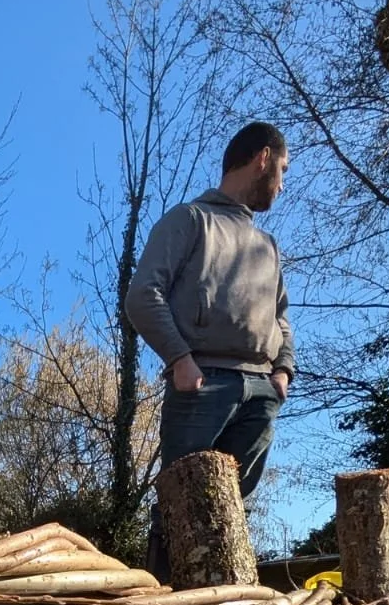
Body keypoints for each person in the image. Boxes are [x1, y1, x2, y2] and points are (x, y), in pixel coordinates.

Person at [124, 121, 294, 578]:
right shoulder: (190, 220)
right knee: (181, 503)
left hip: (261, 389)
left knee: (232, 510)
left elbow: (281, 317)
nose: (281, 184)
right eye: (281, 169)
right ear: (262, 158)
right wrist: (180, 358)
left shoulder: (268, 246)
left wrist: (282, 373)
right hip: (202, 382)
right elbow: (143, 295)